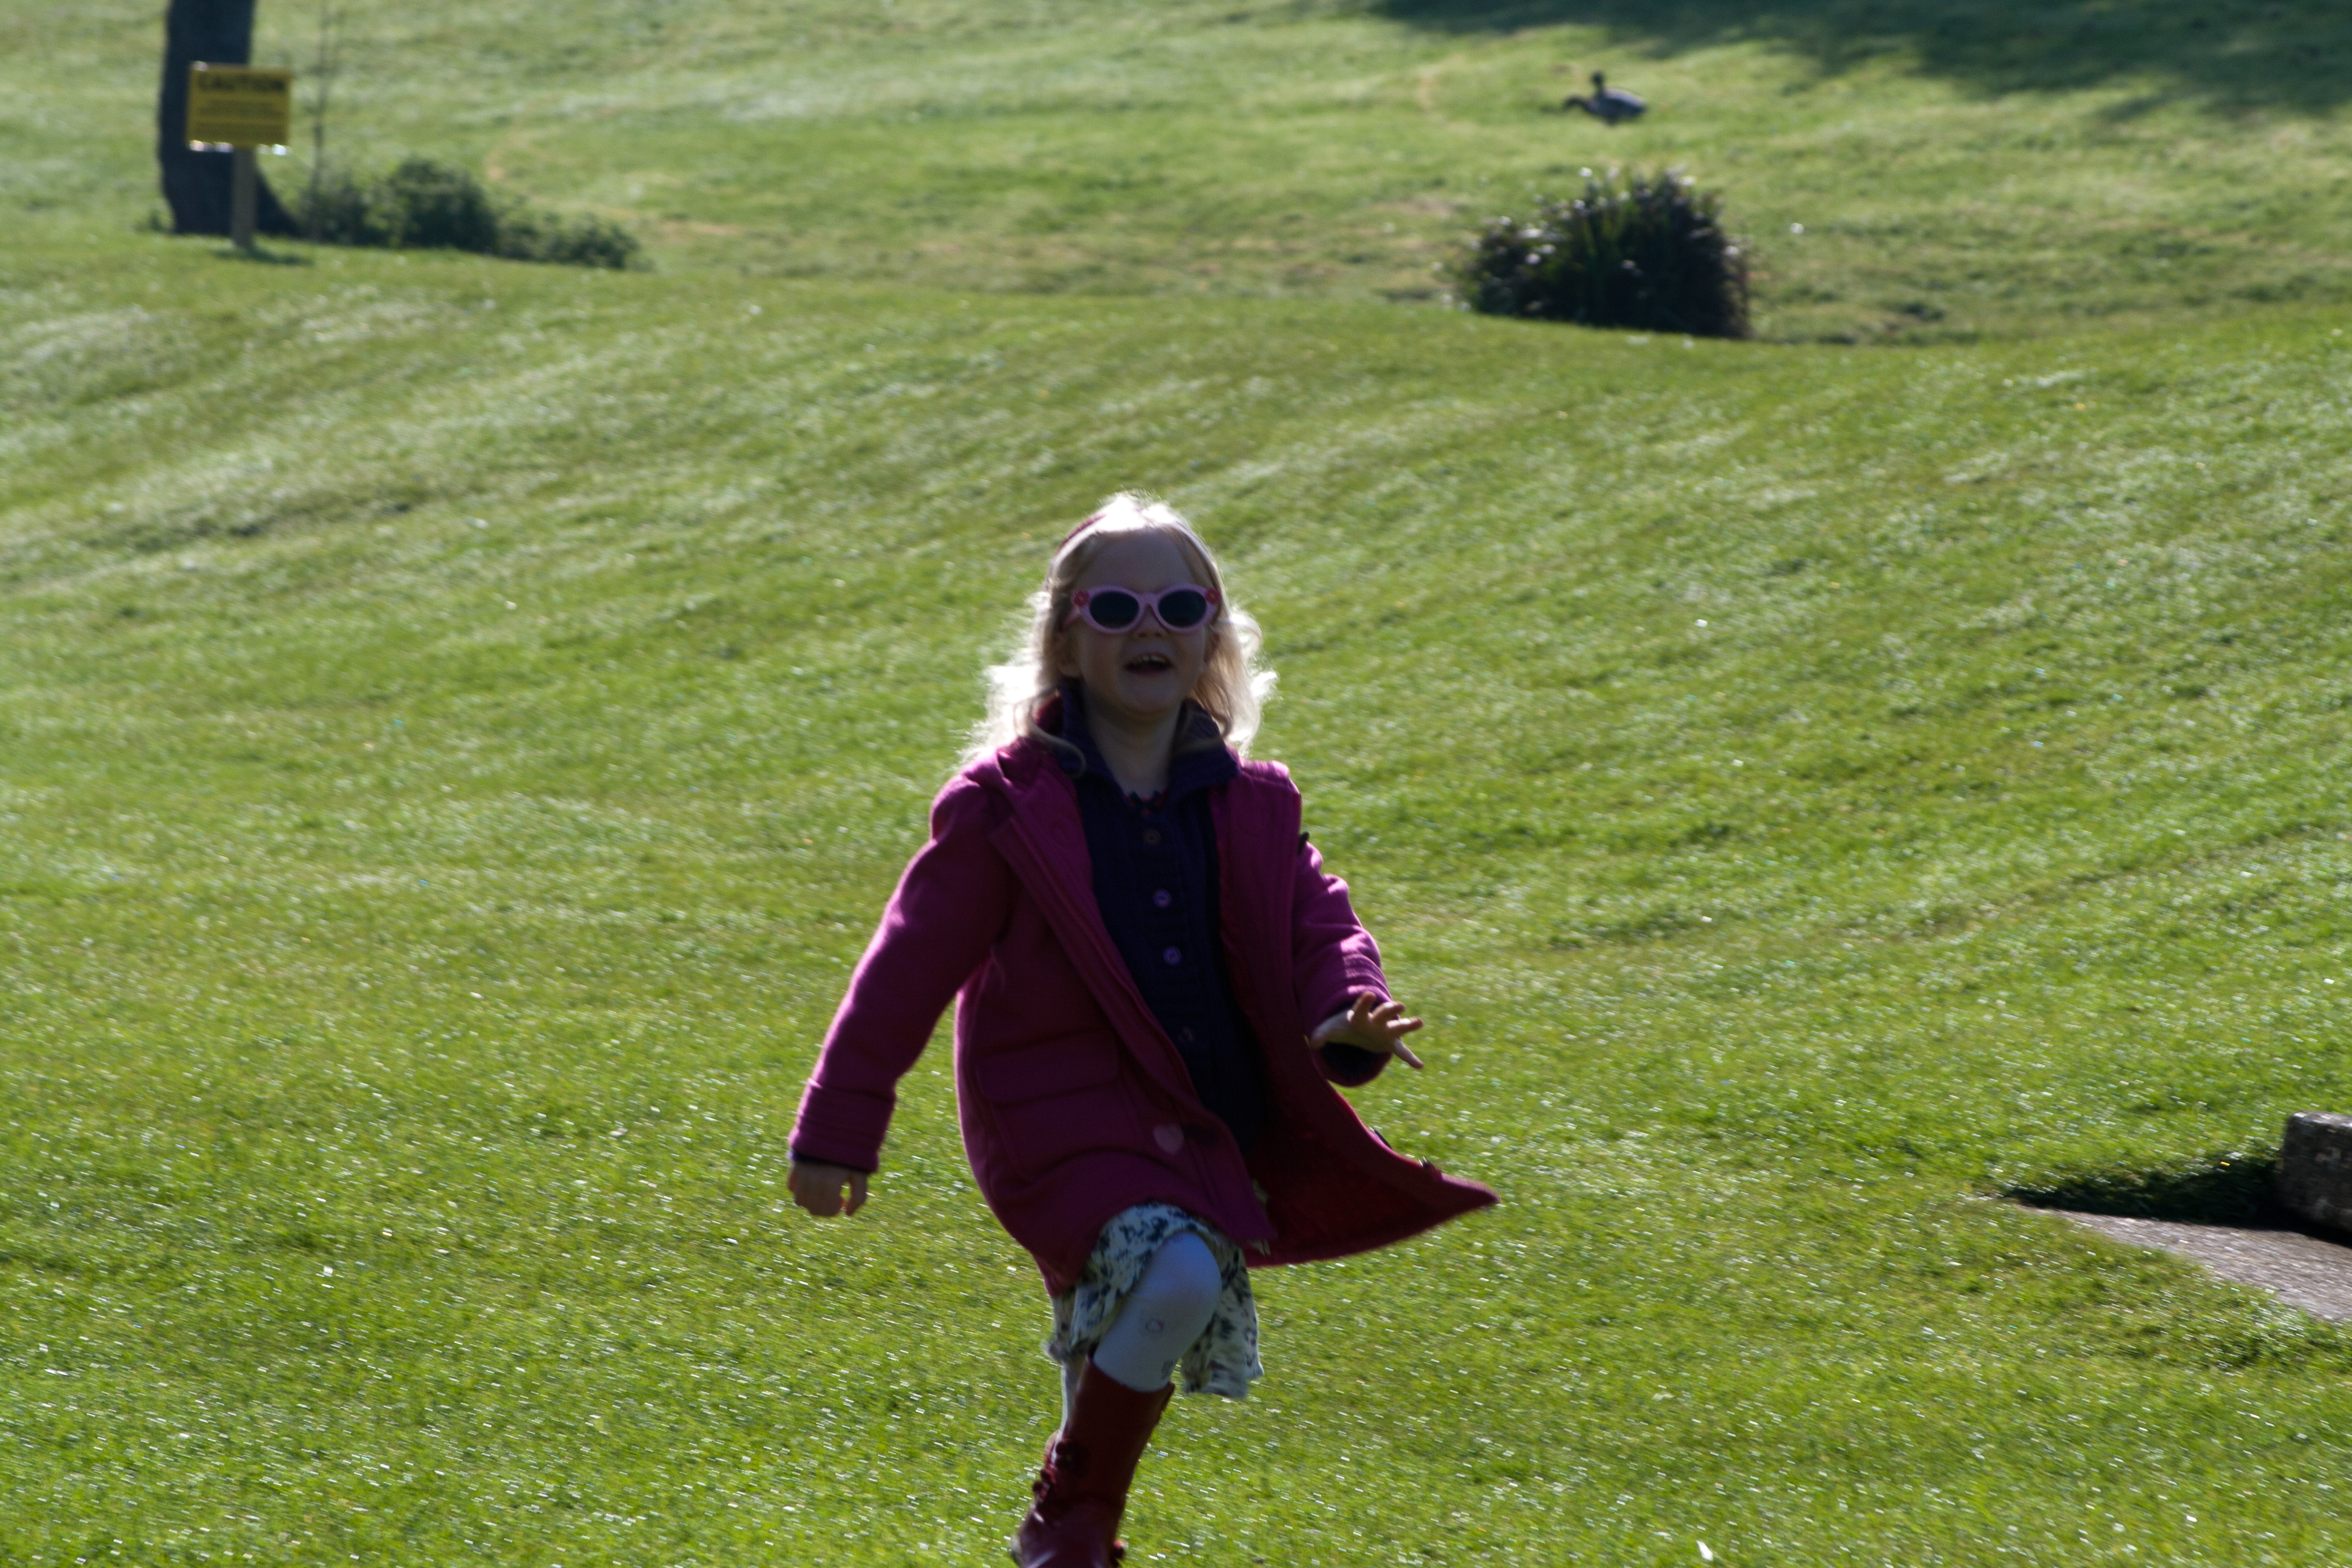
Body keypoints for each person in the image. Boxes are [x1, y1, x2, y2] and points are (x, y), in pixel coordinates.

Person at [786, 491, 1495, 1567]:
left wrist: (1343, 1012)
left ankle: (1068, 1545)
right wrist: (838, 1132)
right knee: (1178, 1275)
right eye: (1115, 608)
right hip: (1052, 1123)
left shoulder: (1253, 803)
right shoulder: (1004, 808)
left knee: (1120, 1317)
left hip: (1199, 1121)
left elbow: (1318, 924)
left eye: (1179, 606)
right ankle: (1072, 1514)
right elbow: (903, 973)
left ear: (1213, 635)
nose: (1148, 628)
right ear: (1066, 640)